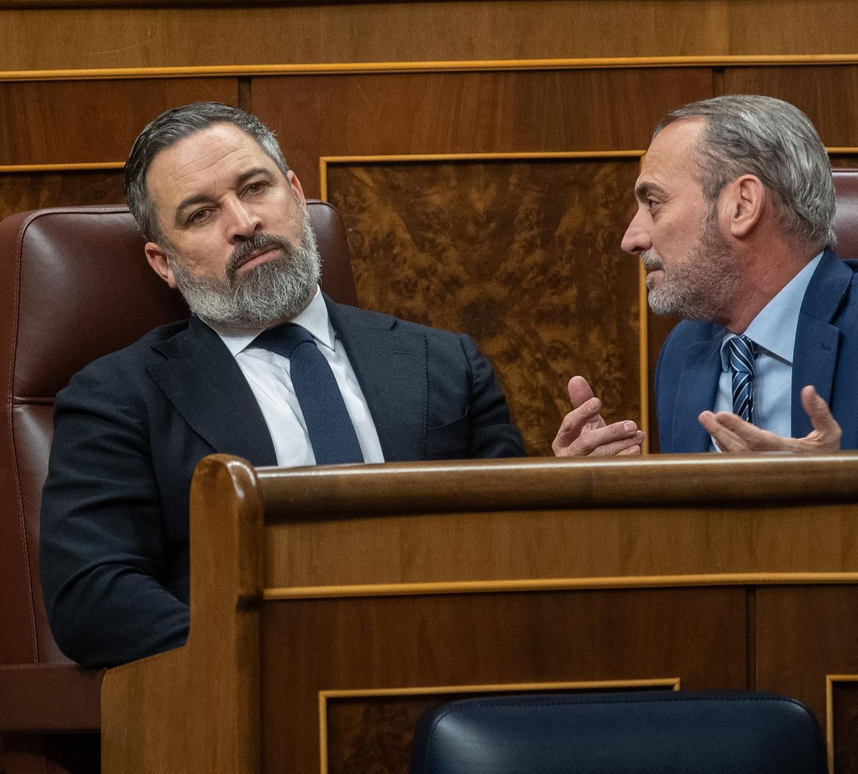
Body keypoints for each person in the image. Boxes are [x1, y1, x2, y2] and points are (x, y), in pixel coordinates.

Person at [40, 103, 640, 670]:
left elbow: (501, 548)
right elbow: (93, 597)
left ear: (296, 196)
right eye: (200, 214)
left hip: (446, 672)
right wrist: (288, 650)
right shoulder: (118, 397)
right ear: (163, 263)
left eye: (256, 188)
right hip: (256, 689)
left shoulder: (443, 362)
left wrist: (557, 494)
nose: (244, 223)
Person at [559, 95, 858, 454]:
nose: (632, 237)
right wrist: (607, 500)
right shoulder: (686, 351)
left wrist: (833, 496)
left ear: (742, 205)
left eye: (653, 203)